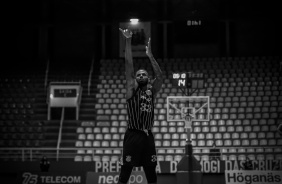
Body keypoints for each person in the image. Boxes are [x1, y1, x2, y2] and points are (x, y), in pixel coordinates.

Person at [117, 28, 163, 184]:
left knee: (151, 173)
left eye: (144, 74)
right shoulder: (131, 90)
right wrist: (128, 41)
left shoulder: (152, 90)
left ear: (148, 78)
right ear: (135, 79)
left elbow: (160, 77)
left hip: (148, 136)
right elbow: (129, 64)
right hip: (133, 135)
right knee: (125, 172)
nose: (141, 75)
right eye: (138, 75)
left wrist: (150, 56)